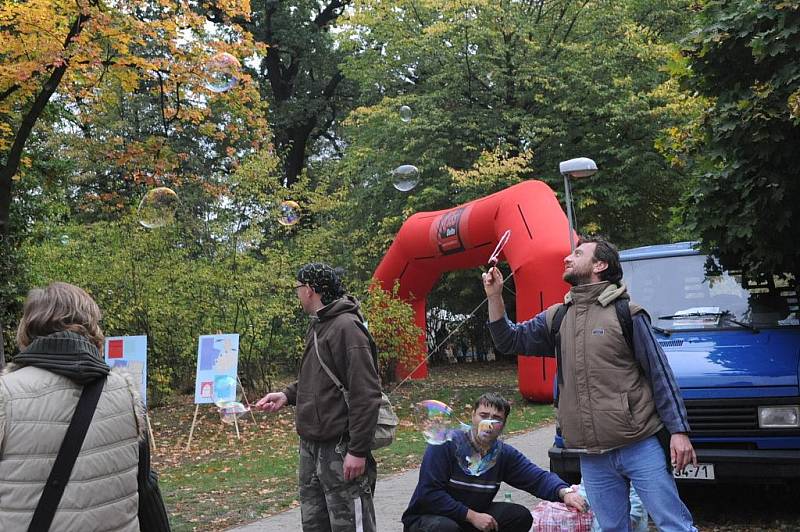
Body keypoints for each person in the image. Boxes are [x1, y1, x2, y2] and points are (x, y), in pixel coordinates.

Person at [483, 236, 697, 531]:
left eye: (578, 253)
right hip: (592, 455)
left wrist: (678, 432)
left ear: (600, 264)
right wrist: (495, 296)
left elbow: (660, 375)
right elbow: (509, 340)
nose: (567, 258)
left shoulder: (628, 314)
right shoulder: (559, 317)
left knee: (674, 525)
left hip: (640, 443)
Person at [0, 282, 170, 531]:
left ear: (27, 329)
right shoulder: (127, 393)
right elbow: (145, 489)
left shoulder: (6, 395)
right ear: (92, 327)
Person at [255, 263, 383, 532]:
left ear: (310, 290)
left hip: (340, 448)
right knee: (315, 526)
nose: (297, 294)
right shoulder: (319, 325)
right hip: (311, 448)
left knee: (351, 526)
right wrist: (286, 395)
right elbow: (319, 380)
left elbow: (366, 393)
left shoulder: (347, 327)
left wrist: (357, 450)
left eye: (298, 288)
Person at [402, 392, 586, 532]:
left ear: (504, 425)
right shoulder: (446, 444)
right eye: (484, 415)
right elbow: (429, 494)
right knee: (446, 528)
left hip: (467, 519)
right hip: (428, 519)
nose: (488, 423)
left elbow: (536, 477)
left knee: (519, 516)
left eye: (496, 419)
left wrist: (565, 492)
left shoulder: (502, 454)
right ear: (473, 415)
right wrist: (472, 516)